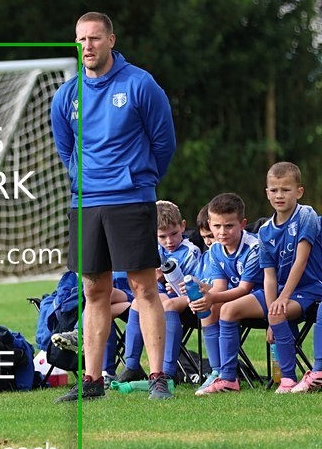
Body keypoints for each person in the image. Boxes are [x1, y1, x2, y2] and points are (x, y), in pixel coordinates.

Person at [50, 12, 177, 402]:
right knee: (94, 290)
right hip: (86, 203)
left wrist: (138, 179)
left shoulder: (140, 84)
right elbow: (66, 149)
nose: (86, 46)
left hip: (131, 199)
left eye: (94, 38)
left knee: (143, 287)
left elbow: (164, 143)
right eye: (80, 40)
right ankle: (92, 382)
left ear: (110, 40)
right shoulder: (67, 95)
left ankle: (158, 377)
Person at [196, 163, 322, 395]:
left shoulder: (306, 215)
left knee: (277, 313)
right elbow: (269, 275)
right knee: (227, 310)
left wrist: (279, 302)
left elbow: (300, 262)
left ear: (299, 192)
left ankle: (287, 379)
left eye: (286, 189)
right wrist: (272, 301)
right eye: (274, 190)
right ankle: (227, 378)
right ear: (267, 193)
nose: (279, 195)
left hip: (309, 289)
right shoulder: (264, 231)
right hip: (280, 290)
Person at [116, 200, 201, 384]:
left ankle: (169, 371)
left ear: (183, 226)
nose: (169, 241)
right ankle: (132, 366)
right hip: (161, 297)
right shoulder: (153, 249)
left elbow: (197, 283)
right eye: (162, 236)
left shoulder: (190, 251)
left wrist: (175, 283)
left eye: (174, 234)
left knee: (166, 303)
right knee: (139, 301)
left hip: (189, 298)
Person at [187, 194, 262, 393]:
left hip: (265, 296)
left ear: (242, 224)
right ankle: (216, 371)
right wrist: (203, 295)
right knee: (209, 310)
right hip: (238, 298)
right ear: (209, 224)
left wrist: (212, 297)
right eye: (217, 226)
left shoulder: (254, 248)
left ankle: (229, 378)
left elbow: (244, 288)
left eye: (229, 226)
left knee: (226, 308)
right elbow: (220, 287)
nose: (222, 232)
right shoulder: (215, 251)